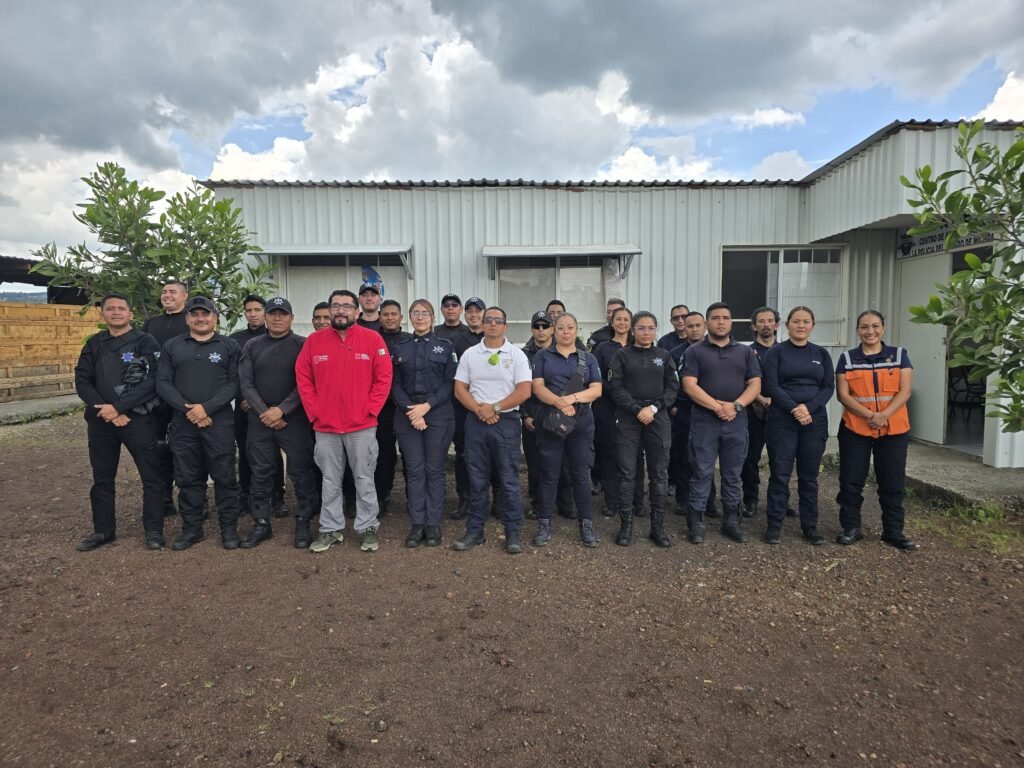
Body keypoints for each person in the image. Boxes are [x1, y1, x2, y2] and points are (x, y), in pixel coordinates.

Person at [296, 289, 393, 554]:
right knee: (330, 480)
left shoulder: (372, 339)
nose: (341, 310)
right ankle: (330, 529)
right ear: (329, 311)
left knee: (364, 477)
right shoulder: (314, 342)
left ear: (357, 311)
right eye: (336, 306)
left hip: (362, 425)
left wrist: (370, 410)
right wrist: (316, 412)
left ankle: (367, 527)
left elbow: (384, 378)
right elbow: (303, 379)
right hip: (325, 426)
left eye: (347, 306)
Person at [74, 293, 165, 551]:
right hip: (101, 419)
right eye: (110, 309)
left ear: (130, 314)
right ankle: (103, 530)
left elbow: (153, 379)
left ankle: (154, 530)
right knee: (102, 478)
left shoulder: (145, 341)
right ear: (102, 314)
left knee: (151, 477)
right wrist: (107, 410)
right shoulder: (94, 343)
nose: (116, 312)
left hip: (138, 419)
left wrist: (119, 407)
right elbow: (82, 380)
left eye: (121, 308)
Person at [155, 296, 243, 550]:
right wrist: (189, 410)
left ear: (215, 317)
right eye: (195, 314)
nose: (200, 318)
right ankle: (191, 530)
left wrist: (206, 408)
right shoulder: (173, 346)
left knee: (225, 477)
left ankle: (229, 529)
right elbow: (163, 383)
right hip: (183, 423)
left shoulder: (229, 346)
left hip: (219, 422)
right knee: (188, 478)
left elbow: (234, 383)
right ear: (187, 318)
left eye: (206, 314)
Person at [237, 297, 319, 549]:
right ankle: (261, 523)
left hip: (294, 420)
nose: (277, 318)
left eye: (282, 314)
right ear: (265, 317)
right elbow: (245, 383)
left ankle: (303, 521)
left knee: (302, 473)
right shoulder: (252, 345)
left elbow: (307, 383)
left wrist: (282, 410)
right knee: (260, 473)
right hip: (260, 420)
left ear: (292, 318)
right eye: (272, 313)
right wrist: (266, 412)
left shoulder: (303, 345)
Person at [452, 306, 533, 554]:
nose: (493, 324)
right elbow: (460, 389)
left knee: (508, 479)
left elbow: (524, 391)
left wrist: (494, 408)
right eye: (489, 320)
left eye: (498, 320)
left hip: (506, 423)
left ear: (505, 326)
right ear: (483, 324)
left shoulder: (517, 355)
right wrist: (480, 410)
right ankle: (475, 531)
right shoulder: (470, 354)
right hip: (476, 422)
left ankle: (513, 532)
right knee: (476, 479)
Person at [834, 310, 918, 550]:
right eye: (864, 327)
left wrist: (884, 415)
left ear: (883, 328)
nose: (870, 331)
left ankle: (893, 532)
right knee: (851, 480)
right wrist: (871, 416)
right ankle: (851, 528)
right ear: (857, 330)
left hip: (893, 429)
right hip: (856, 428)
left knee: (893, 481)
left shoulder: (899, 356)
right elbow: (843, 395)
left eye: (875, 326)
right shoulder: (847, 359)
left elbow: (905, 391)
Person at [681, 302, 761, 545]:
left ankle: (731, 522)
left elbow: (755, 384)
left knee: (732, 474)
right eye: (715, 318)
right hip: (705, 421)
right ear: (707, 323)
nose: (721, 322)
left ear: (731, 322)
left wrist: (735, 406)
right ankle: (696, 523)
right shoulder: (694, 351)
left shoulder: (745, 352)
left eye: (725, 317)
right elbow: (689, 385)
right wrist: (717, 407)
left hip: (736, 421)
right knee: (702, 472)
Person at [761, 306, 835, 545]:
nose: (801, 326)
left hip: (814, 421)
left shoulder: (821, 354)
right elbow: (771, 385)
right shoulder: (776, 352)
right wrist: (794, 408)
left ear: (812, 325)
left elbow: (828, 387)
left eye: (805, 322)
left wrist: (808, 408)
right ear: (786, 325)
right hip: (782, 420)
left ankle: (810, 526)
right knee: (780, 473)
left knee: (809, 476)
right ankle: (774, 525)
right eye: (796, 321)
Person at [530, 313, 603, 547]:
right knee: (549, 474)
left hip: (581, 422)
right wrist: (559, 403)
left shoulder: (588, 358)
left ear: (576, 330)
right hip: (550, 420)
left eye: (570, 327)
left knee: (581, 474)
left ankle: (586, 525)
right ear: (554, 330)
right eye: (560, 327)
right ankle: (544, 524)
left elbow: (596, 390)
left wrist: (571, 399)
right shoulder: (543, 356)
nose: (565, 332)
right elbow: (537, 387)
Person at [607, 311, 679, 547]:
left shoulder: (664, 355)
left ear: (656, 330)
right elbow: (615, 387)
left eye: (651, 328)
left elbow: (673, 387)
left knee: (659, 474)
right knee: (627, 473)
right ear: (633, 330)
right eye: (641, 328)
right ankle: (626, 525)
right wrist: (636, 409)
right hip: (629, 418)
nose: (646, 332)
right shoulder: (621, 355)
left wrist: (654, 408)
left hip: (658, 417)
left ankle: (657, 527)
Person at [390, 299, 457, 547]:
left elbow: (450, 382)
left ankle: (433, 523)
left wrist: (426, 407)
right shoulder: (400, 347)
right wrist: (412, 412)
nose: (420, 317)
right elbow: (393, 383)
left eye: (425, 313)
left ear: (432, 317)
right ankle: (417, 523)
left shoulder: (445, 346)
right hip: (407, 413)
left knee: (434, 470)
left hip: (437, 413)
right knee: (415, 469)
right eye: (415, 313)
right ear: (409, 317)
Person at [230, 294, 286, 518]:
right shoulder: (236, 339)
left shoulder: (276, 336)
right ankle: (246, 495)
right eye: (249, 310)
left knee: (273, 453)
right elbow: (235, 374)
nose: (253, 314)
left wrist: (260, 404)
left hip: (272, 408)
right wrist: (244, 398)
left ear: (265, 312)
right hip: (244, 407)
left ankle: (277, 496)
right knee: (246, 452)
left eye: (257, 310)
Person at [142, 278, 189, 516]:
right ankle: (164, 498)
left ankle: (193, 499)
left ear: (184, 296)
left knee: (187, 448)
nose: (167, 295)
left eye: (172, 291)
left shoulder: (193, 321)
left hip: (185, 396)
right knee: (159, 448)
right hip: (155, 397)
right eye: (164, 291)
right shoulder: (151, 324)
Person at [592, 307, 644, 519]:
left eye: (626, 319)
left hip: (635, 408)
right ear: (612, 322)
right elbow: (596, 377)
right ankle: (611, 501)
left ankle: (637, 501)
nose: (622, 322)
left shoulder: (639, 346)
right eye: (618, 319)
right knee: (609, 454)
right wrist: (617, 392)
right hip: (608, 406)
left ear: (631, 323)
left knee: (636, 455)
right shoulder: (603, 348)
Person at [669, 312, 717, 518]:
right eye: (690, 326)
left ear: (705, 326)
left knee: (706, 459)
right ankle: (682, 499)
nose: (694, 329)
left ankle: (709, 502)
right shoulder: (675, 353)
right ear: (684, 329)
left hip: (709, 409)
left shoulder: (714, 350)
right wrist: (673, 406)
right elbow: (669, 382)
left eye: (698, 325)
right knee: (683, 456)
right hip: (684, 410)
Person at [742, 306, 782, 520]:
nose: (766, 325)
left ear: (777, 325)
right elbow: (742, 380)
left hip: (781, 412)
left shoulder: (785, 351)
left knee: (781, 460)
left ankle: (779, 500)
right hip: (753, 412)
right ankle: (750, 499)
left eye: (770, 321)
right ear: (754, 327)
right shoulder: (746, 352)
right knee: (750, 459)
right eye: (761, 321)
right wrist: (760, 398)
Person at [450, 296, 488, 518]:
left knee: (492, 454)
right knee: (463, 454)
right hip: (462, 407)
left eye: (478, 311)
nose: (474, 315)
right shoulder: (455, 340)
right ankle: (465, 498)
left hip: (491, 407)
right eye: (470, 311)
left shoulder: (494, 337)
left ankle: (495, 498)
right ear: (465, 314)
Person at [376, 299, 412, 511]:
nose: (390, 318)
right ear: (380, 317)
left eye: (394, 314)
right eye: (386, 314)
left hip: (406, 406)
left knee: (409, 452)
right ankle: (382, 495)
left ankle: (412, 497)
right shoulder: (372, 339)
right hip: (381, 408)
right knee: (384, 454)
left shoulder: (409, 340)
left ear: (401, 318)